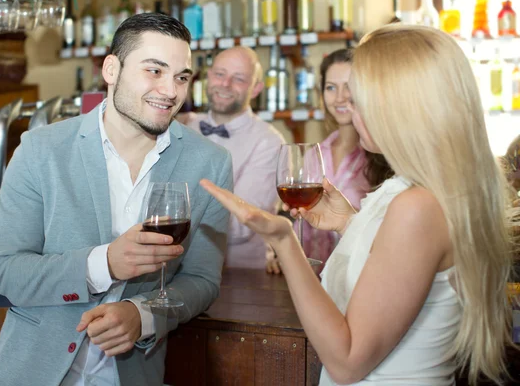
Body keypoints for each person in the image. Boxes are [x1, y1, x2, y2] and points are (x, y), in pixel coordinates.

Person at [201, 24, 513, 385]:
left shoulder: (417, 206)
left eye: (359, 99)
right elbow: (403, 268)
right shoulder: (424, 189)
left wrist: (286, 242)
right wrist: (350, 223)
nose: (348, 108)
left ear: (399, 108)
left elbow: (347, 362)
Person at [0, 13, 233, 386]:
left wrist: (143, 315)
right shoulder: (40, 150)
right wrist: (105, 263)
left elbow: (202, 280)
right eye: (154, 71)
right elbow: (1, 276)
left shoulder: (210, 162)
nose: (170, 91)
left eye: (181, 77)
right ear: (111, 69)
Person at [267, 49, 392, 274]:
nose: (340, 97)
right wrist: (284, 256)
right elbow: (303, 221)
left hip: (361, 279)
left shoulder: (383, 158)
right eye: (331, 87)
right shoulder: (317, 153)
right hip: (312, 280)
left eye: (349, 86)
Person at [182, 46, 285, 269]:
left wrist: (170, 218)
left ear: (256, 88)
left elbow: (244, 222)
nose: (225, 84)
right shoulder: (184, 128)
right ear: (209, 77)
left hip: (243, 279)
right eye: (219, 74)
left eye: (238, 78)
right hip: (177, 275)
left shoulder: (270, 142)